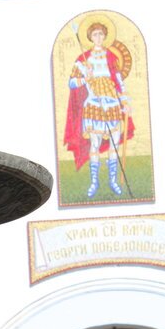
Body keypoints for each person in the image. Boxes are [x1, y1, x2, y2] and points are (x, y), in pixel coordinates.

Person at [64, 22, 135, 198]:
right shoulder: (83, 60)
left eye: (101, 34)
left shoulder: (111, 57)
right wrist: (85, 79)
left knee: (114, 145)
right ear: (90, 37)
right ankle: (94, 182)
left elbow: (119, 82)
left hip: (112, 106)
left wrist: (125, 101)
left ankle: (113, 181)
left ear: (104, 36)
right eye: (95, 34)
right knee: (94, 145)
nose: (98, 37)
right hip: (94, 105)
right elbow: (71, 83)